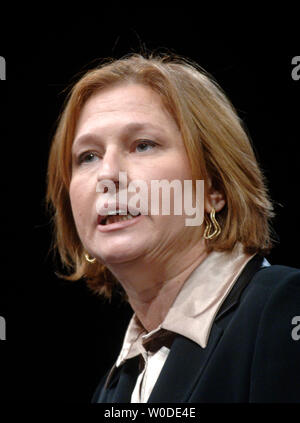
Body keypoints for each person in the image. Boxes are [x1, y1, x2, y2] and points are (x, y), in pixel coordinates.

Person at [46, 53, 300, 403]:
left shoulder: (283, 308)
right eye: (88, 156)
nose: (107, 175)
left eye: (143, 145)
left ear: (215, 188)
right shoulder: (110, 390)